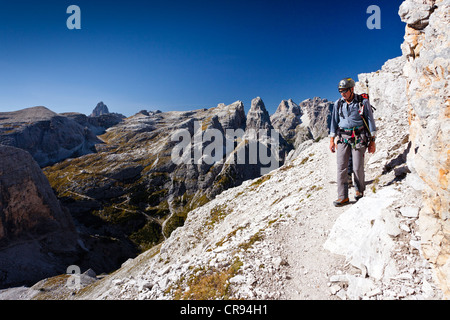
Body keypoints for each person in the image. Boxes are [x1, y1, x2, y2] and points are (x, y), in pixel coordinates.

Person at [329, 78, 377, 207]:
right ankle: (342, 196)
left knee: (357, 167)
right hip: (343, 137)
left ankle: (359, 190)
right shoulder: (338, 104)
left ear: (352, 89)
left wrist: (372, 141)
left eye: (345, 91)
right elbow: (333, 123)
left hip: (359, 137)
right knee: (341, 167)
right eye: (340, 91)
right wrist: (332, 140)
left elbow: (370, 121)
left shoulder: (363, 102)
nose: (342, 94)